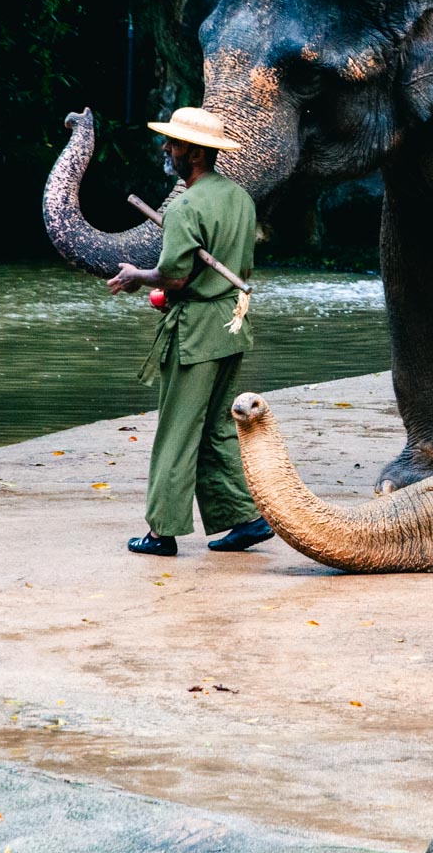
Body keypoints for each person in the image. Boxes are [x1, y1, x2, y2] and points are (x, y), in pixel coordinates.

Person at [107, 107, 272, 556]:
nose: (168, 149)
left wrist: (138, 275)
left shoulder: (184, 205)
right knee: (218, 428)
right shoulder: (240, 198)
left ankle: (162, 533)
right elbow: (243, 264)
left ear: (195, 154)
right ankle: (247, 518)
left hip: (196, 332)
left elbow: (174, 278)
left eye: (175, 144)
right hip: (232, 326)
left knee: (178, 430)